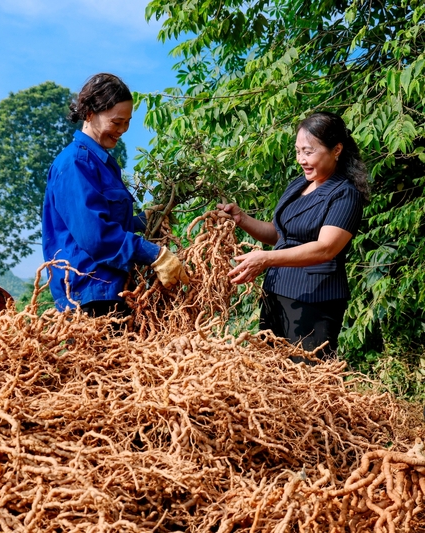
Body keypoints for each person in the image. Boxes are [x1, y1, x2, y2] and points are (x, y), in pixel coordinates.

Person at [218, 111, 370, 359]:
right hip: (276, 295)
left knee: (308, 381)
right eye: (298, 151)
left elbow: (326, 248)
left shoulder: (345, 193)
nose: (301, 159)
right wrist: (241, 219)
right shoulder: (299, 185)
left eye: (309, 152)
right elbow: (281, 235)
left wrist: (266, 259)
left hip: (313, 300)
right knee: (274, 379)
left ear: (336, 150)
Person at [42, 73, 189, 317]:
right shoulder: (76, 164)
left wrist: (144, 219)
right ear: (89, 113)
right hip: (88, 297)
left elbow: (107, 222)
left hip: (111, 293)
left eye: (127, 122)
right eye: (116, 122)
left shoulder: (101, 163)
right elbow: (96, 236)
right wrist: (155, 255)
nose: (122, 130)